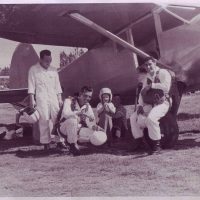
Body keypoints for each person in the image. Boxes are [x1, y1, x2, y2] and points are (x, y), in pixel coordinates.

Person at [130, 57, 172, 154]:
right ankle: (139, 142)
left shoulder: (163, 73)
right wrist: (140, 105)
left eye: (150, 64)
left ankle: (156, 146)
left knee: (151, 119)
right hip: (150, 103)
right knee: (133, 117)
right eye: (146, 65)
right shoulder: (147, 77)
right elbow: (142, 93)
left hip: (163, 103)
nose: (148, 67)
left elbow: (166, 87)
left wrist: (152, 86)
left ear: (154, 63)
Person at [28, 49, 65, 151]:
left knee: (57, 118)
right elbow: (31, 86)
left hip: (53, 97)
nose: (48, 63)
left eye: (50, 60)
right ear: (40, 59)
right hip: (41, 98)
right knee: (43, 120)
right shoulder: (33, 70)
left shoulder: (53, 70)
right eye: (46, 61)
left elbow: (57, 86)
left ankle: (60, 141)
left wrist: (59, 98)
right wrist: (32, 100)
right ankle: (46, 143)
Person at [58, 86, 105, 156]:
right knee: (73, 120)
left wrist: (97, 128)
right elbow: (65, 113)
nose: (87, 98)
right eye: (85, 96)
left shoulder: (87, 107)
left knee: (95, 133)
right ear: (80, 94)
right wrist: (77, 113)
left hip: (77, 130)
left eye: (89, 97)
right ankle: (72, 145)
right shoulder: (69, 100)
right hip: (63, 128)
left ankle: (81, 142)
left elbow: (91, 123)